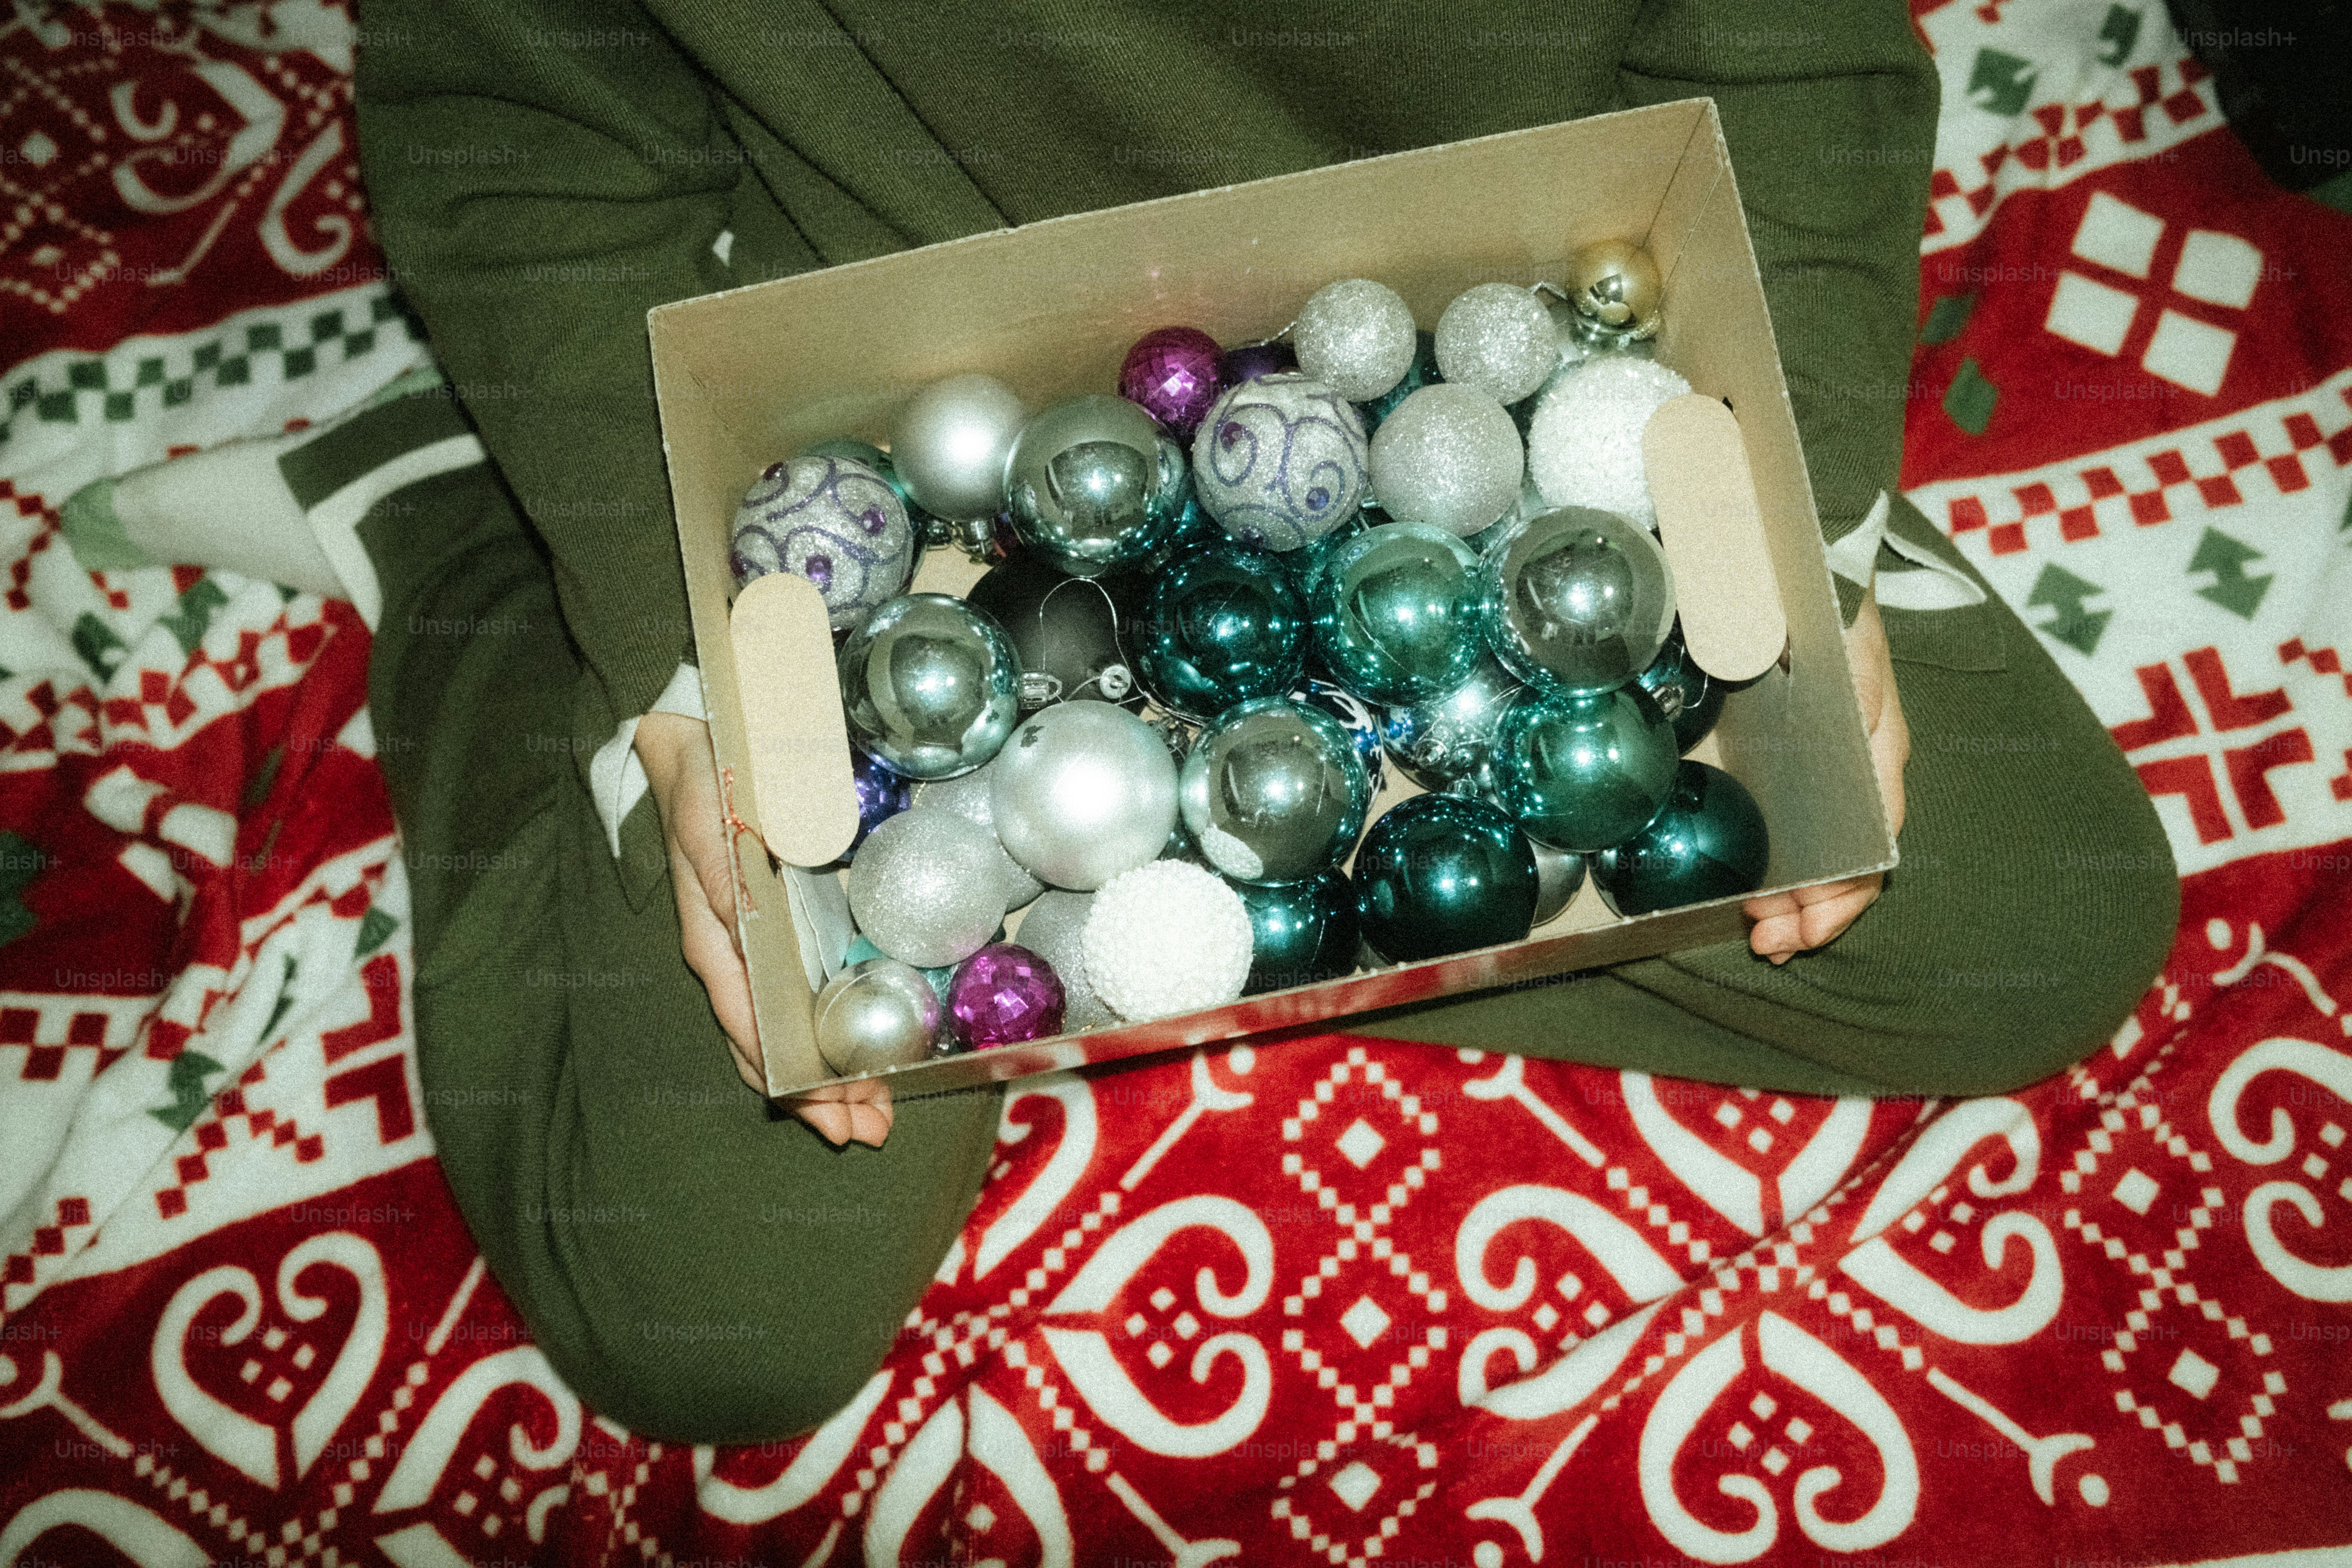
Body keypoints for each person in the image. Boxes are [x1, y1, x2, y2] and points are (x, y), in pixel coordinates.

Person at [67, 0, 2178, 1444]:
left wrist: (1790, 504)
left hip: (1498, 381)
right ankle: (453, 536)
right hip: (891, 426)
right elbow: (521, 127)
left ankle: (1258, 936)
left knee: (2033, 926)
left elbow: (1790, 47)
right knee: (706, 1317)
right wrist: (691, 678)